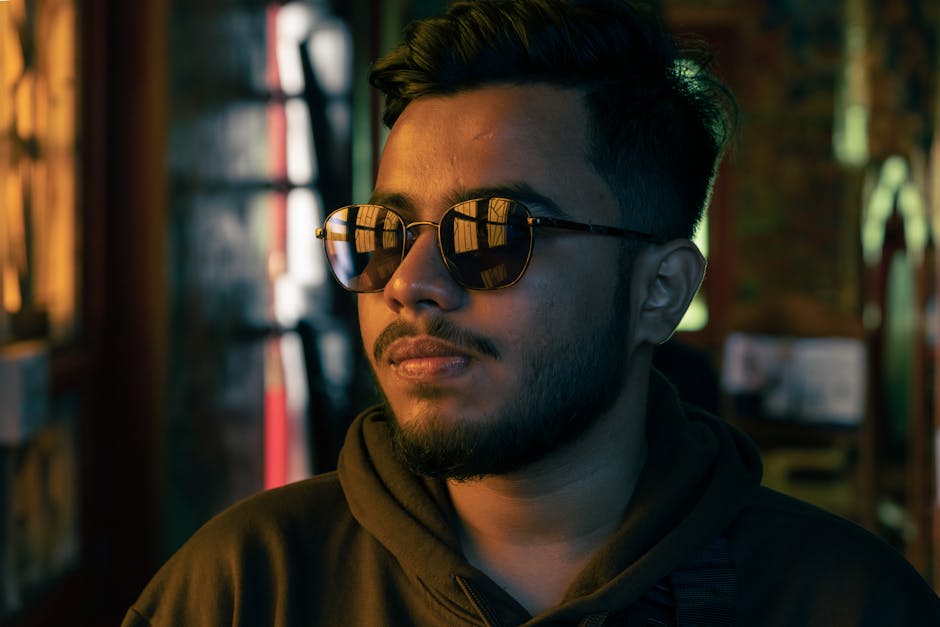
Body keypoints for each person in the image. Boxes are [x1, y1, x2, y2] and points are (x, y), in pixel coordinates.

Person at [123, 1, 940, 625]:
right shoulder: (246, 585)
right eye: (382, 234)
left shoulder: (843, 600)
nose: (408, 283)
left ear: (659, 290)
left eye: (490, 232)